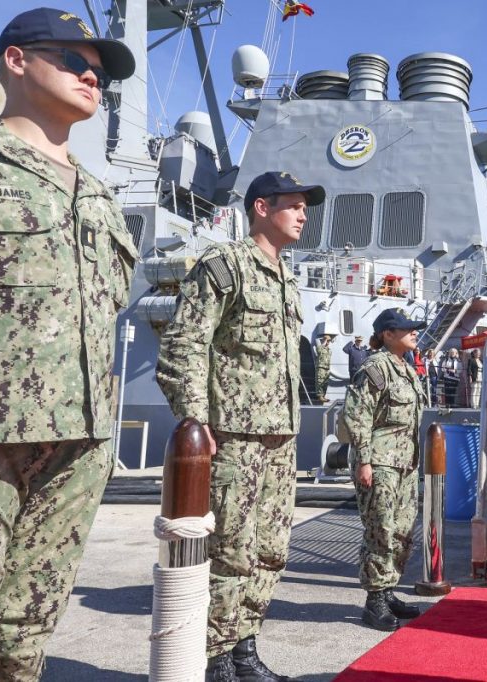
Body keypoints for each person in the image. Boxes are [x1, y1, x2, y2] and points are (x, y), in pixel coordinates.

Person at [0, 9, 136, 679]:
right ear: (17, 60)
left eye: (99, 71)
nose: (92, 75)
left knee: (27, 625)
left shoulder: (100, 197)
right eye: (75, 61)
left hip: (82, 439)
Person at [156, 171, 324, 682]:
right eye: (292, 205)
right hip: (233, 436)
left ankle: (245, 647)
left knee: (270, 550)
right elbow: (183, 344)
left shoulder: (286, 279)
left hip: (279, 436)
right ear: (260, 208)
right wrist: (195, 419)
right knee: (230, 549)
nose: (302, 215)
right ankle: (215, 656)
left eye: (303, 207)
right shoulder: (225, 265)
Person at [338, 308, 427, 631]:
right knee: (381, 531)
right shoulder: (375, 367)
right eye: (407, 329)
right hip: (380, 464)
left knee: (402, 533)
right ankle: (374, 601)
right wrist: (364, 461)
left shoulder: (405, 368)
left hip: (404, 463)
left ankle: (387, 589)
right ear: (388, 334)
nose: (415, 332)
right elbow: (357, 416)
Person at [314, 333, 333, 404]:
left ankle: (323, 396)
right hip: (321, 367)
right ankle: (320, 396)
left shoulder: (329, 350)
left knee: (325, 382)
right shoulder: (320, 347)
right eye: (327, 340)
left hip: (327, 368)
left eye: (329, 341)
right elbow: (318, 351)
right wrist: (324, 342)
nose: (328, 342)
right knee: (320, 381)